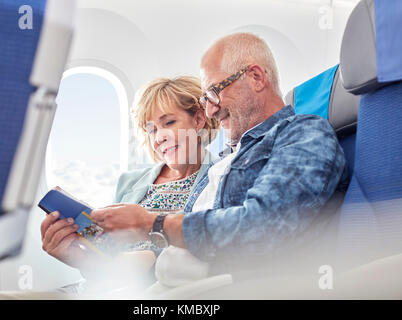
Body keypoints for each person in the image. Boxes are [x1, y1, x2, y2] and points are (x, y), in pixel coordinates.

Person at [90, 32, 349, 285]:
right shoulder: (230, 157)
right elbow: (178, 245)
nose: (211, 110)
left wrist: (151, 222)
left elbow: (262, 227)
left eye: (214, 92)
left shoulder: (303, 133)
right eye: (205, 99)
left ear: (256, 78)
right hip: (173, 284)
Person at [38, 76, 219, 293]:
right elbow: (107, 251)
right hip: (96, 288)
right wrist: (77, 248)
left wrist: (90, 262)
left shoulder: (218, 178)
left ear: (199, 120)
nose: (159, 137)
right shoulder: (130, 181)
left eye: (169, 123)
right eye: (151, 130)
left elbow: (180, 258)